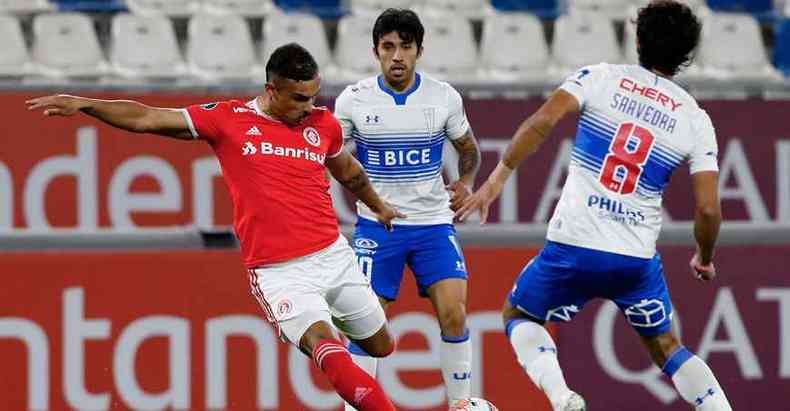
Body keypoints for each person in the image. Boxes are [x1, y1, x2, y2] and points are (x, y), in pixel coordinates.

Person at [27, 43, 404, 411]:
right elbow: (146, 118)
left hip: (333, 255)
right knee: (327, 347)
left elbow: (349, 173)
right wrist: (87, 104)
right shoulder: (229, 119)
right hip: (280, 272)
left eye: (312, 96)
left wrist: (379, 206)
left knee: (382, 346)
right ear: (271, 90)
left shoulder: (323, 125)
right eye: (299, 98)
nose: (309, 107)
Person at [456, 1, 733, 410]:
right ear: (688, 55)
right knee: (668, 348)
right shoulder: (695, 119)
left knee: (518, 315)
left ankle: (562, 397)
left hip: (573, 246)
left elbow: (541, 123)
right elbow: (708, 210)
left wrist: (497, 179)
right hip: (634, 262)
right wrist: (704, 256)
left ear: (636, 40)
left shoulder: (600, 78)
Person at [334, 8, 481, 410]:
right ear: (376, 51)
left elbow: (468, 150)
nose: (397, 56)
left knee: (454, 312)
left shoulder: (443, 97)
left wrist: (465, 184)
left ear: (419, 51)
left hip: (433, 225)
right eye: (388, 47)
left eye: (406, 47)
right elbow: (330, 155)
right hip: (377, 228)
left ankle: (461, 404)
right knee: (367, 326)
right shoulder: (354, 100)